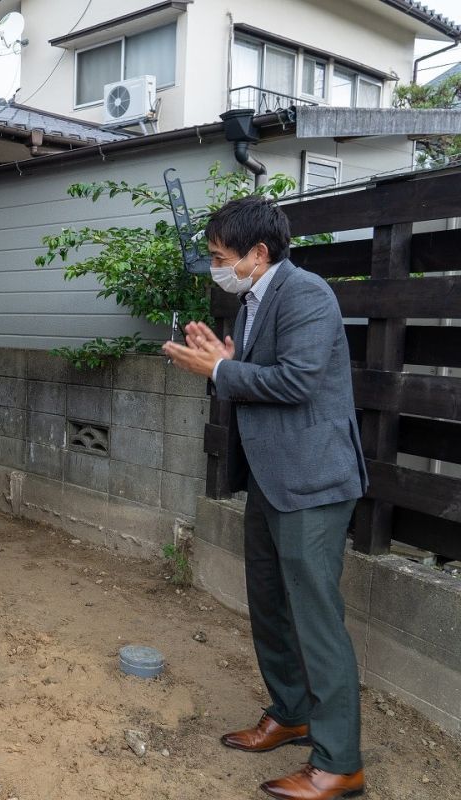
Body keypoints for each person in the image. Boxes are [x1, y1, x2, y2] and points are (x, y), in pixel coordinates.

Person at [162, 196, 367, 800]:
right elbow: (261, 374)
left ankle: (339, 762)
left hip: (312, 482)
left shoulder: (306, 294)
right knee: (271, 604)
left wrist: (221, 372)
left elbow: (298, 380)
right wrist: (225, 360)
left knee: (316, 620)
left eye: (223, 257)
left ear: (259, 253)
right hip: (273, 478)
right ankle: (291, 711)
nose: (217, 267)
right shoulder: (253, 300)